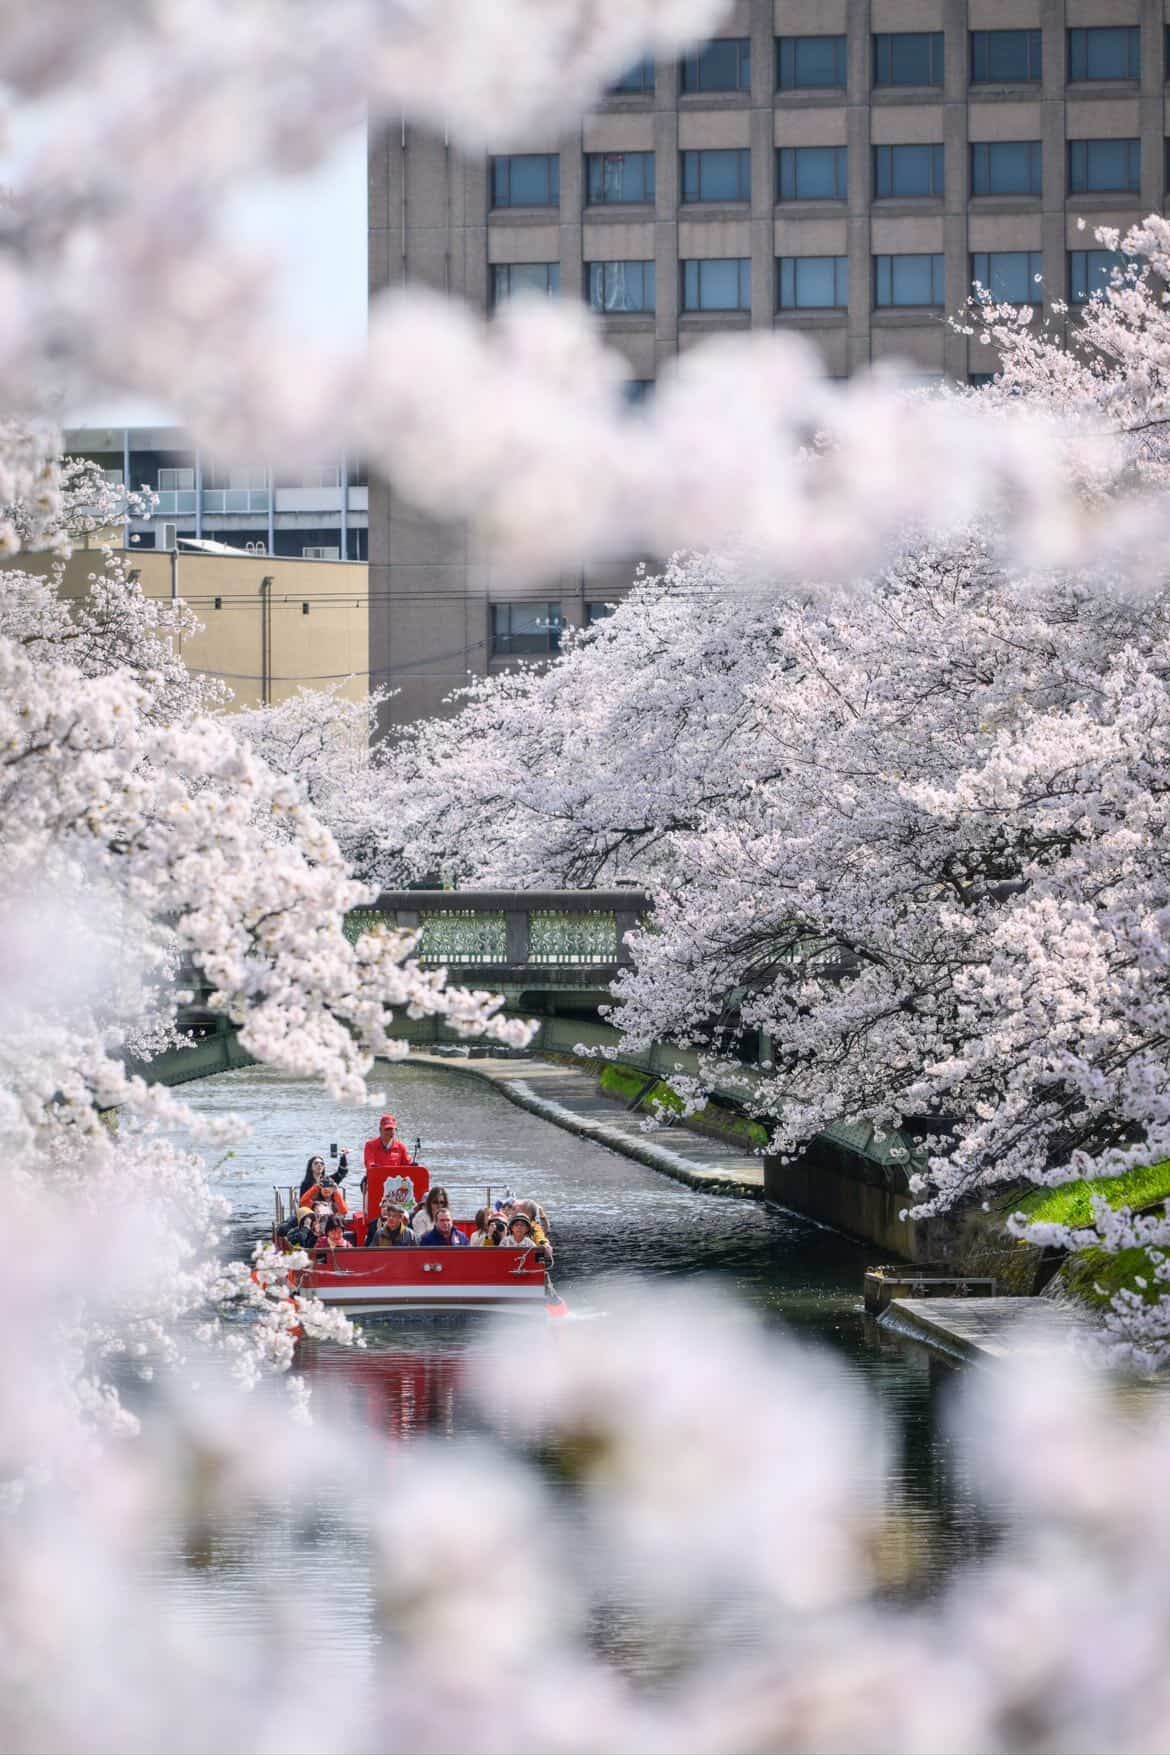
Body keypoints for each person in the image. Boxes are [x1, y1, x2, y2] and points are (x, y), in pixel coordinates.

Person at [364, 1114, 428, 1212]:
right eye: (387, 1129)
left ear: (396, 1131)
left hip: (396, 1186)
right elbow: (369, 1163)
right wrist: (374, 1168)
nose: (390, 1132)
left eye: (392, 1129)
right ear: (380, 1130)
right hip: (375, 1184)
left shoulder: (401, 1147)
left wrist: (413, 1166)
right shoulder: (370, 1145)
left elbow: (408, 1165)